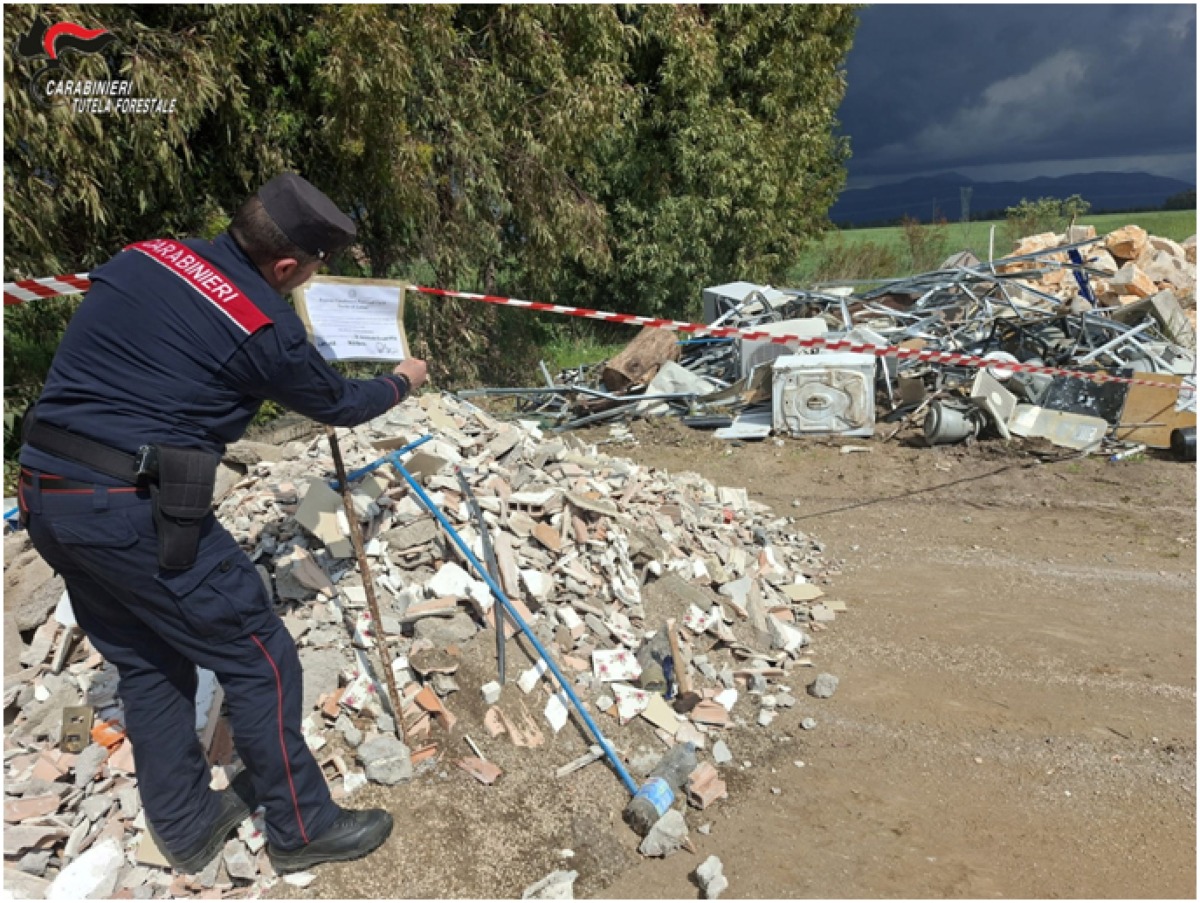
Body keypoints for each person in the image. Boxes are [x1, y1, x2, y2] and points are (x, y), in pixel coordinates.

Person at [18, 172, 428, 875]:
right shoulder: (262, 326)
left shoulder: (145, 254)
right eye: (313, 272)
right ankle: (303, 825)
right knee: (261, 652)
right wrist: (404, 378)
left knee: (149, 658)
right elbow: (340, 403)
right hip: (131, 510)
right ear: (288, 266)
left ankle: (185, 824)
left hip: (44, 490)